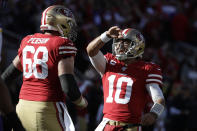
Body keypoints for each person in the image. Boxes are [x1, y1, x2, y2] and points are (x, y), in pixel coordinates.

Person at [1, 5, 87, 131]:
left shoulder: (28, 40)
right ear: (59, 22)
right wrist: (81, 102)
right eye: (68, 23)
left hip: (22, 107)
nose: (71, 28)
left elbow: (7, 76)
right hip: (47, 109)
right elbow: (68, 86)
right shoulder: (62, 43)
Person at [86, 26, 165, 131]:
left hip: (130, 127)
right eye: (118, 41)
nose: (119, 45)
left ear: (138, 45)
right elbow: (91, 51)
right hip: (106, 124)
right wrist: (106, 36)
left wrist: (154, 113)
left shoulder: (147, 69)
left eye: (125, 42)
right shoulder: (109, 62)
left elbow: (159, 99)